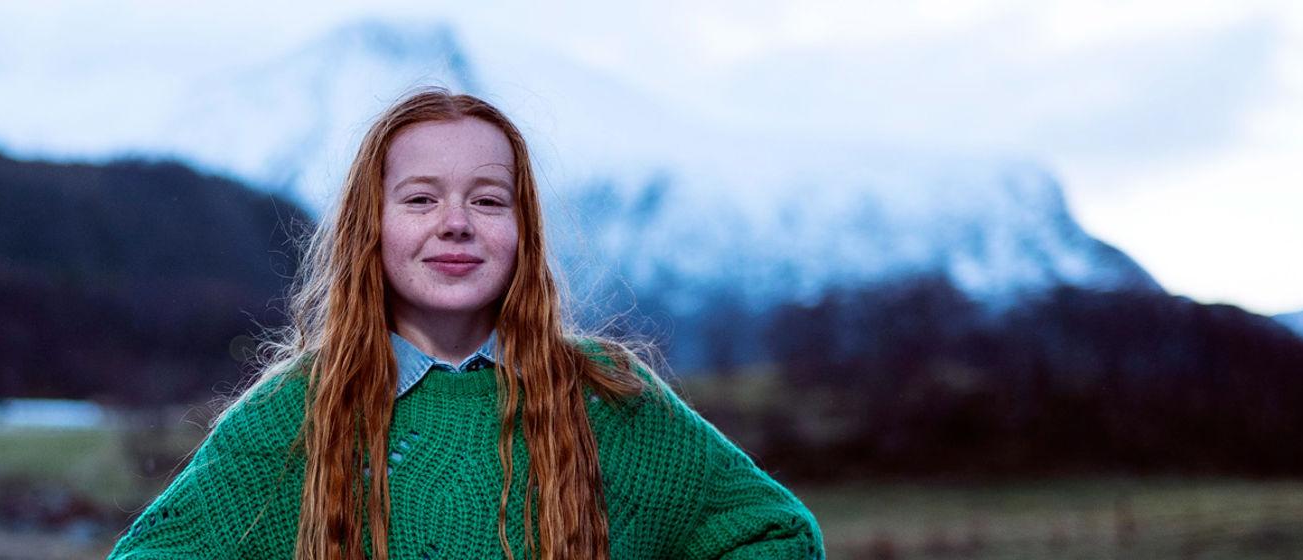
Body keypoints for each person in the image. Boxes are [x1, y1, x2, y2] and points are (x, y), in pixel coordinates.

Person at [108, 88, 823, 559]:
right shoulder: (296, 414)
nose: (455, 224)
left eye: (487, 201)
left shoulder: (605, 399)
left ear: (524, 231)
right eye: (420, 200)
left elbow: (775, 534)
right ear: (371, 228)